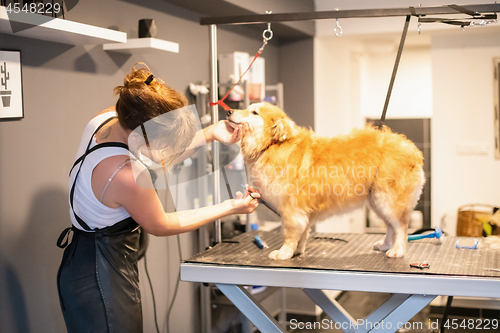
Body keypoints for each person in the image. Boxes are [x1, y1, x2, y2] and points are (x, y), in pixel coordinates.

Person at [56, 64, 259, 333]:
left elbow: (156, 151)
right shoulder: (126, 175)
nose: (168, 152)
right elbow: (161, 224)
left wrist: (210, 133)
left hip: (80, 264)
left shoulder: (106, 119)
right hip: (102, 281)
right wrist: (231, 206)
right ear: (141, 135)